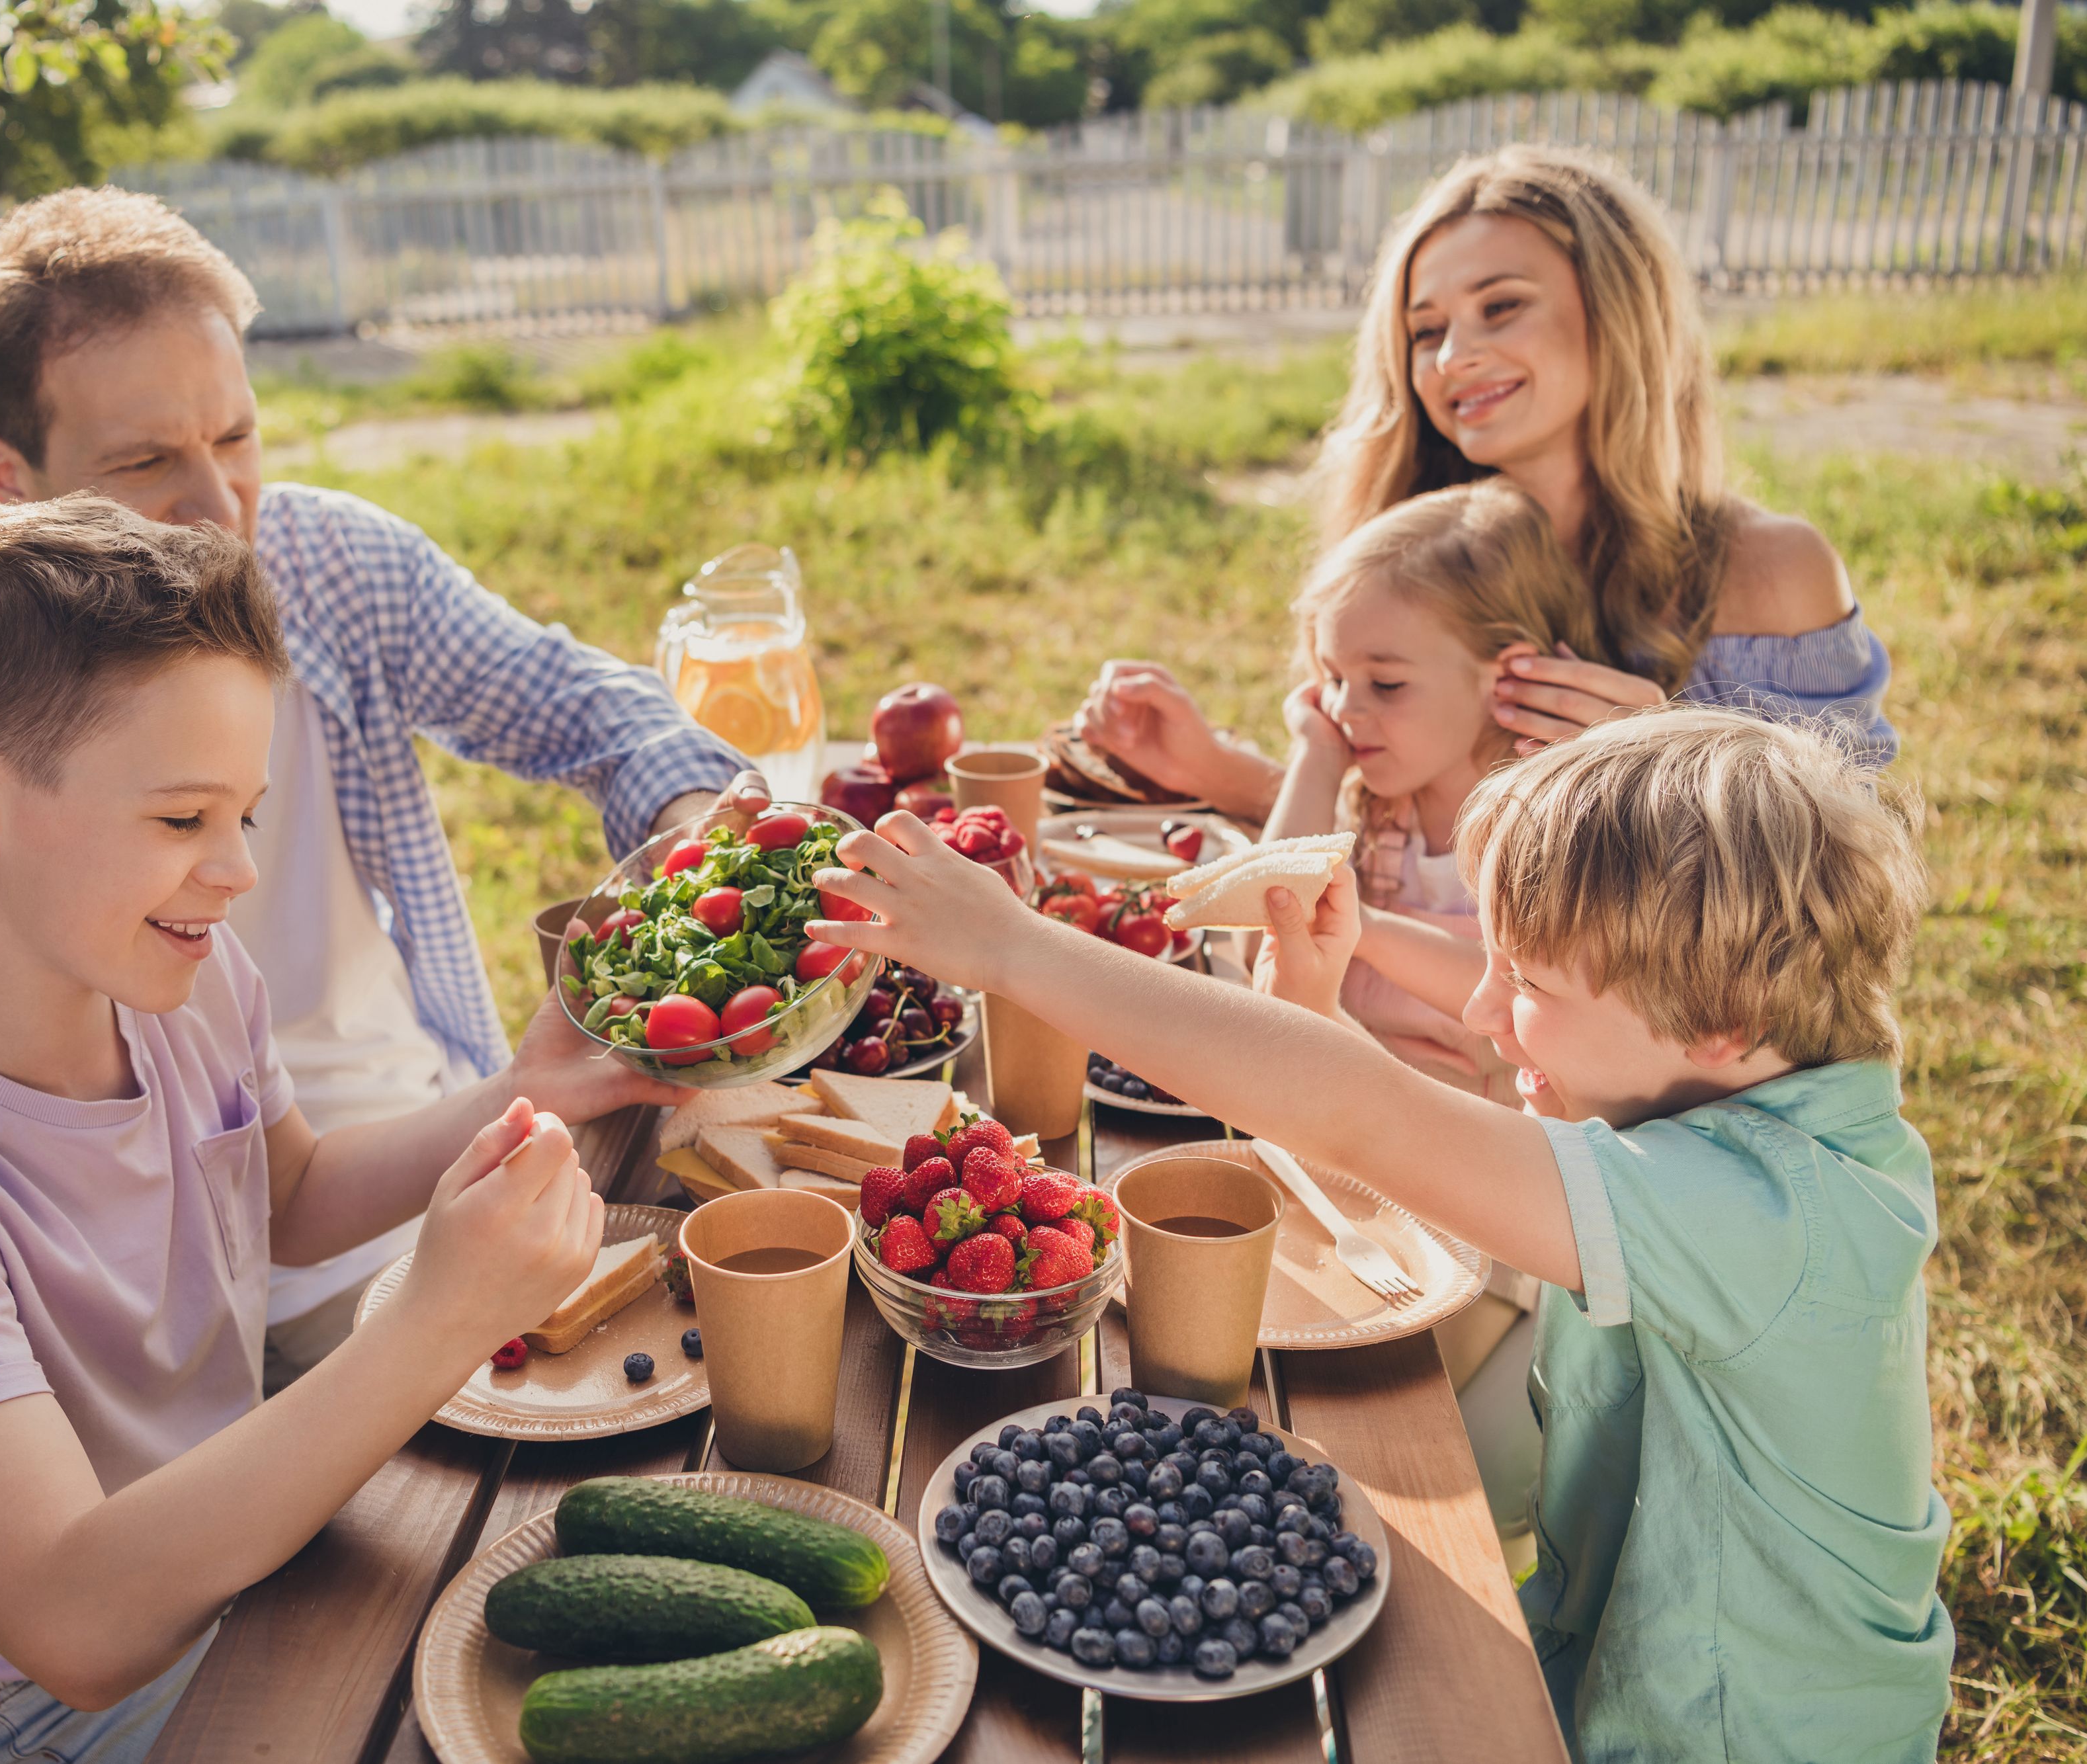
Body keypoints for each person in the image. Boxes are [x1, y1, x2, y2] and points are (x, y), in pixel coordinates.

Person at [809, 707, 1953, 1763]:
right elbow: (1401, 1115)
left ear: (1720, 1020)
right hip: (1621, 1655)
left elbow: (1374, 1116)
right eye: (1491, 961)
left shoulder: (1765, 1219)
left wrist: (1018, 950)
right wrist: (1322, 1008)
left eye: (1529, 982)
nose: (1480, 1012)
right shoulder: (1750, 1093)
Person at [0, 187, 753, 1384]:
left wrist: (700, 830)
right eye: (145, 460)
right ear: (7, 474)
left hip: (404, 1171)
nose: (222, 508)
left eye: (235, 438)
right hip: (126, 1319)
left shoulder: (336, 569)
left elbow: (583, 704)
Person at [0, 496, 630, 1763]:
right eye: (183, 820)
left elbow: (290, 1196)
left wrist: (529, 1087)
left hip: (245, 1543)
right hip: (41, 1702)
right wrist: (441, 1315)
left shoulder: (178, 977)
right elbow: (77, 1616)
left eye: (246, 814)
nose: (233, 868)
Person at [1074, 144, 1898, 823]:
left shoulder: (1771, 572)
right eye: (1425, 330)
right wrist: (1211, 768)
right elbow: (1398, 839)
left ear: (1618, 312)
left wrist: (1664, 760)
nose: (1449, 358)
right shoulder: (1410, 552)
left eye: (1500, 308)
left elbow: (1852, 865)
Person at [1270, 479, 1625, 1103]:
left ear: (1506, 675)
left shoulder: (1546, 818)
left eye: (1385, 683)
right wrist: (1317, 758)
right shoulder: (1379, 807)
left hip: (1503, 1142)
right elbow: (1267, 936)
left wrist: (1361, 929)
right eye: (1332, 676)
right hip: (1359, 1115)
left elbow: (1516, 988)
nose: (1345, 707)